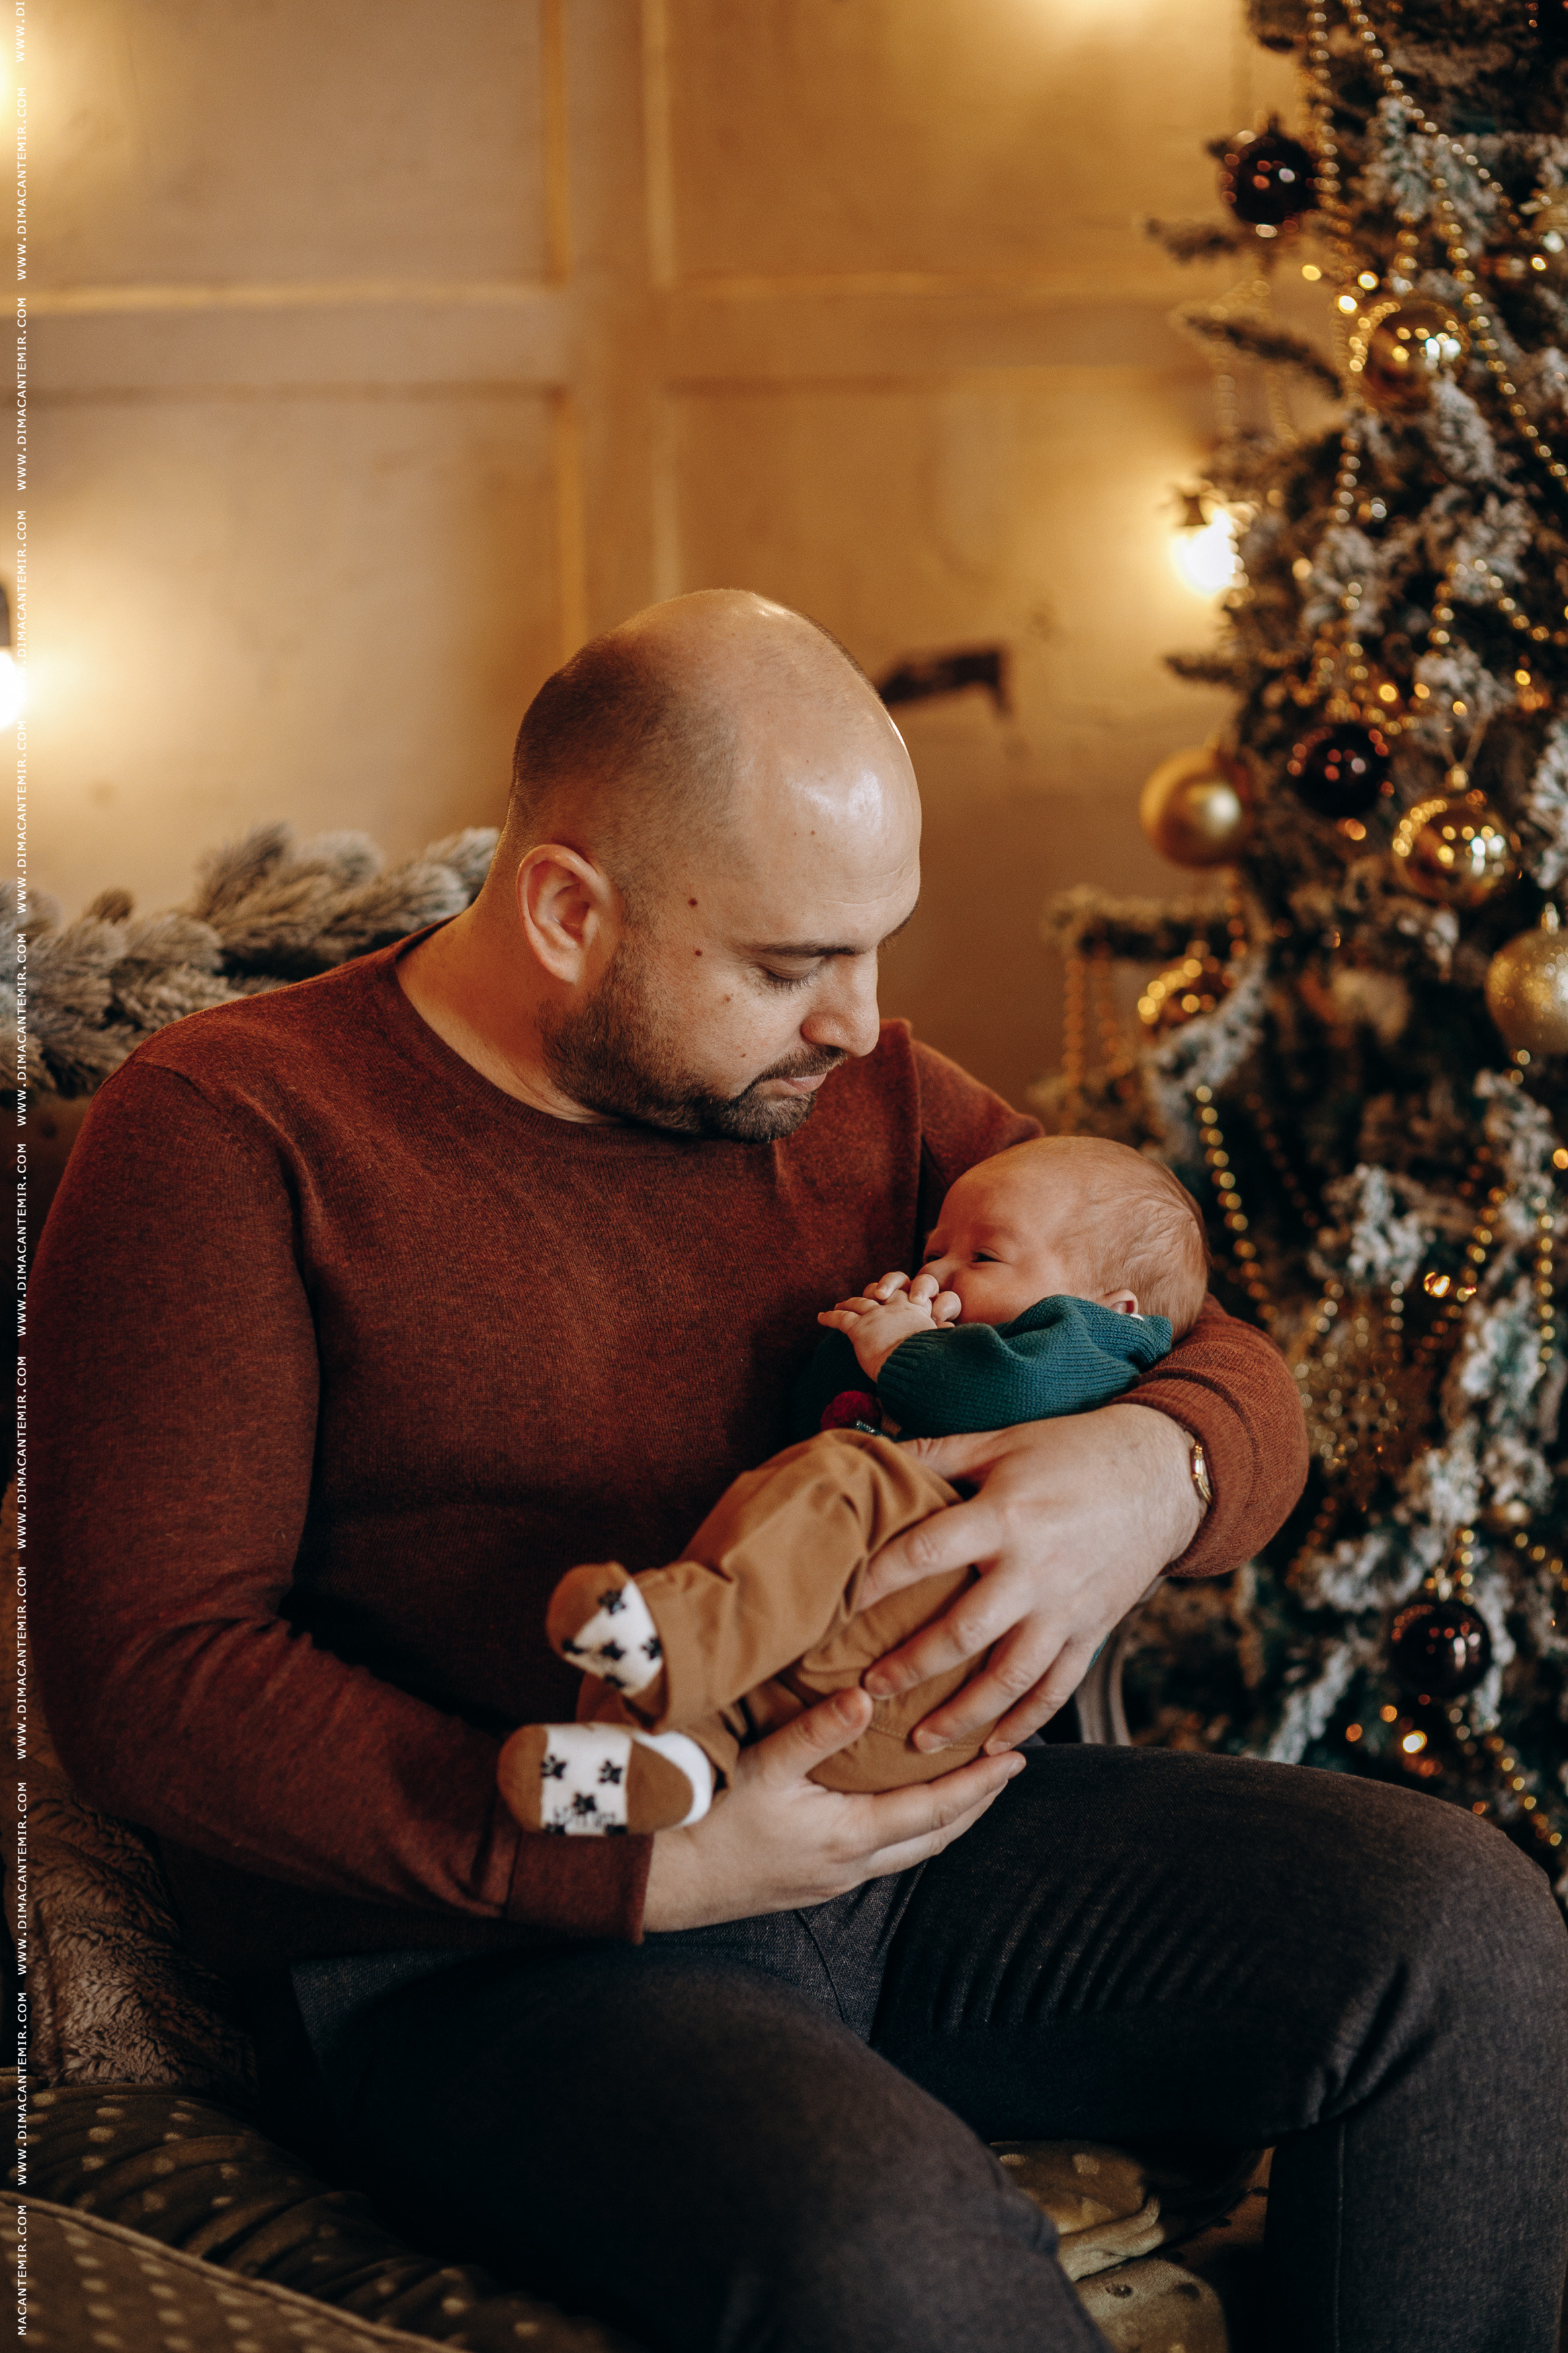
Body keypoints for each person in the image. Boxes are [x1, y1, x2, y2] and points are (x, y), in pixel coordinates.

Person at [31, 591, 1568, 2353]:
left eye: (874, 948)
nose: (858, 1019)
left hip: (918, 1849)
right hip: (510, 1949)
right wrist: (639, 1870)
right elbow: (152, 1677)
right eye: (788, 965)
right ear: (567, 911)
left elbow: (1207, 1344)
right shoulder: (229, 1129)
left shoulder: (856, 1092)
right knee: (887, 2241)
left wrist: (1152, 1470)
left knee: (1460, 1928)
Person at [501, 1135, 1208, 1835]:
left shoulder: (1096, 1348)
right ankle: (666, 1771)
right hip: (843, 1675)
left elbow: (995, 1390)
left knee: (847, 1477)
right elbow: (812, 1415)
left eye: (983, 1257)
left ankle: (674, 1654)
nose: (938, 1273)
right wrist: (857, 1346)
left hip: (935, 1669)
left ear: (1116, 1307)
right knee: (750, 1548)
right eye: (933, 1254)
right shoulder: (953, 1334)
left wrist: (901, 1349)